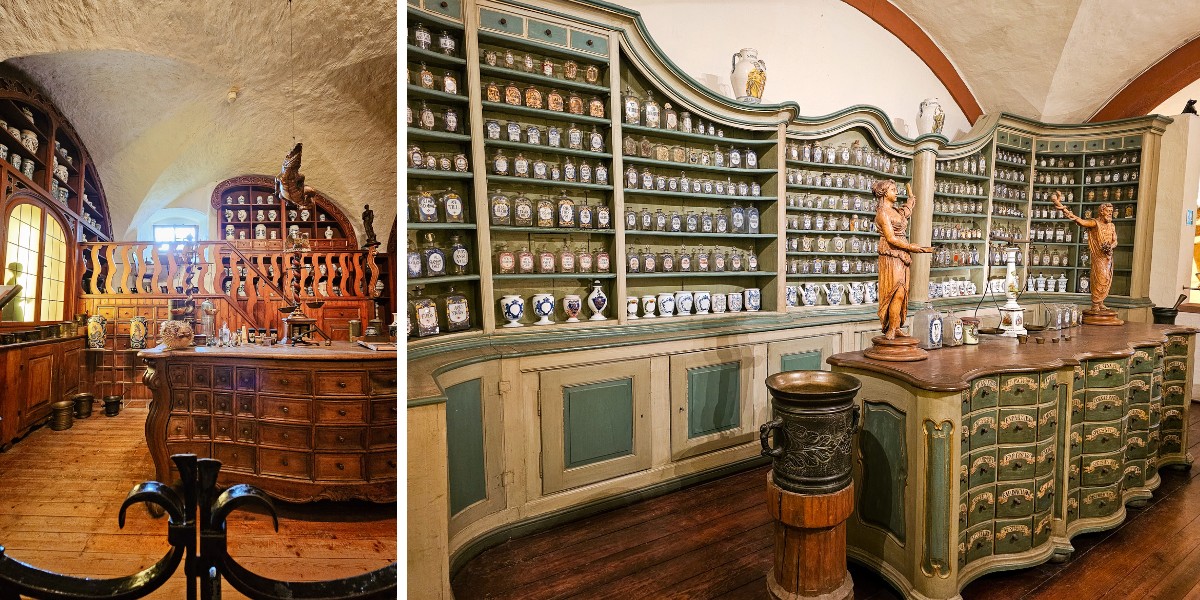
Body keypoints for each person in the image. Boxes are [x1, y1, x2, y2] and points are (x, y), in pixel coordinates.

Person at [873, 179, 932, 339]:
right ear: (884, 193)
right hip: (891, 253)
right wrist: (912, 247)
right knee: (895, 291)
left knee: (902, 292)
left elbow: (906, 212)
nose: (896, 192)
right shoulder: (882, 213)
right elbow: (891, 238)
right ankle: (891, 328)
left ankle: (896, 326)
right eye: (893, 189)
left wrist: (911, 202)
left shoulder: (896, 212)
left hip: (902, 253)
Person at [1052, 190, 1115, 312]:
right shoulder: (1095, 223)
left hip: (1108, 256)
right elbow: (1081, 222)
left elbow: (1115, 240)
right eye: (1108, 211)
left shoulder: (1112, 226)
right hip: (1098, 257)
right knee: (1099, 278)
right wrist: (1067, 211)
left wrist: (1110, 247)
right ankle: (1095, 304)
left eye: (1111, 212)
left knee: (1107, 278)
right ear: (1102, 212)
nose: (1110, 214)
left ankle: (1101, 302)